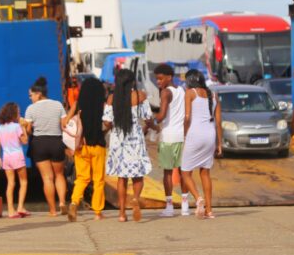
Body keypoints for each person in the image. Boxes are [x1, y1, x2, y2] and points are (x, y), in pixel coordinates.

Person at [151, 63, 201, 217]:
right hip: (181, 137)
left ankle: (169, 206)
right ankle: (185, 206)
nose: (158, 82)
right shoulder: (182, 90)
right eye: (157, 79)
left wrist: (150, 122)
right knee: (183, 172)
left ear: (169, 77)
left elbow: (162, 115)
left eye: (160, 79)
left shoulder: (165, 92)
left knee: (167, 172)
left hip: (168, 137)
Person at [103, 68, 152, 222]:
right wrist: (146, 127)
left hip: (118, 139)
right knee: (138, 174)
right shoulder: (140, 96)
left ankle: (122, 213)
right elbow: (148, 118)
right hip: (135, 138)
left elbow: (106, 122)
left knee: (121, 176)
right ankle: (136, 199)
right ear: (132, 82)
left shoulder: (112, 98)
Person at [181, 68, 222, 219]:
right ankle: (209, 211)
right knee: (205, 172)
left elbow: (187, 118)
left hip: (195, 134)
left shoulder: (190, 93)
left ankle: (198, 198)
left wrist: (184, 134)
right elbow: (218, 122)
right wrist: (219, 143)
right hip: (209, 135)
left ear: (189, 81)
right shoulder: (214, 95)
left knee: (185, 172)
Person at [25, 76, 68, 216]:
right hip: (56, 141)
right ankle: (62, 202)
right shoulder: (57, 105)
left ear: (38, 94)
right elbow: (64, 125)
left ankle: (52, 210)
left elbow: (28, 130)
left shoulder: (30, 109)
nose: (30, 98)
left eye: (31, 95)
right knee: (59, 175)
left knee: (47, 178)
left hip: (40, 143)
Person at [66, 76, 107, 221]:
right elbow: (107, 125)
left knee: (82, 178)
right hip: (97, 146)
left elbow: (65, 123)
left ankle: (74, 202)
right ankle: (97, 212)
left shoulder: (77, 105)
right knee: (98, 180)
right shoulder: (101, 106)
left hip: (81, 147)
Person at [0, 102, 29, 219]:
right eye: (18, 112)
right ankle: (20, 207)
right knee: (23, 181)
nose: (19, 114)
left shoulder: (1, 127)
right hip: (17, 156)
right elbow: (25, 141)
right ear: (13, 114)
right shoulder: (17, 126)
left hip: (6, 157)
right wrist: (24, 127)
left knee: (10, 183)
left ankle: (10, 210)